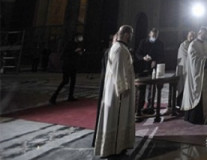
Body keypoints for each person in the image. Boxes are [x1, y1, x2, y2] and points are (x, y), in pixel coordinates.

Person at [94, 25, 136, 158]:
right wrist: (123, 88)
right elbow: (118, 71)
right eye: (129, 34)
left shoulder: (121, 48)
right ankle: (114, 147)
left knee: (121, 118)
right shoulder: (118, 49)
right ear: (125, 34)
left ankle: (119, 145)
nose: (130, 37)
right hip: (118, 93)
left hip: (119, 91)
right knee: (117, 118)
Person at [181, 26, 207, 124]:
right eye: (203, 33)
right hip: (197, 75)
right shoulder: (193, 45)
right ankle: (196, 118)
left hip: (205, 74)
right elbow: (194, 60)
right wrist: (205, 60)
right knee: (199, 94)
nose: (205, 35)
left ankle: (206, 115)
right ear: (199, 33)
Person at [49, 33, 85, 104]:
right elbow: (65, 54)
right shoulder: (70, 43)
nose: (80, 39)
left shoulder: (76, 44)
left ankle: (70, 96)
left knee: (73, 81)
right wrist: (75, 51)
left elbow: (76, 53)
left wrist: (80, 51)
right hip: (67, 65)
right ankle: (53, 97)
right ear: (76, 37)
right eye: (79, 37)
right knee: (65, 81)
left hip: (73, 65)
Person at [135, 28, 165, 112]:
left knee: (152, 88)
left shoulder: (160, 44)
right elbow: (137, 53)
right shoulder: (143, 42)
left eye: (156, 35)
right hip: (143, 67)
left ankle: (150, 106)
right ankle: (140, 105)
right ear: (149, 34)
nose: (154, 37)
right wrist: (143, 58)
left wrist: (155, 61)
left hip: (153, 69)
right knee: (141, 88)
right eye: (153, 35)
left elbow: (162, 56)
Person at [176, 31, 196, 108]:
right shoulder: (184, 45)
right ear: (187, 36)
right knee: (183, 87)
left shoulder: (194, 45)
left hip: (191, 70)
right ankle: (180, 103)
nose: (192, 37)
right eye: (190, 36)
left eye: (193, 36)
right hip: (184, 69)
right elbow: (189, 55)